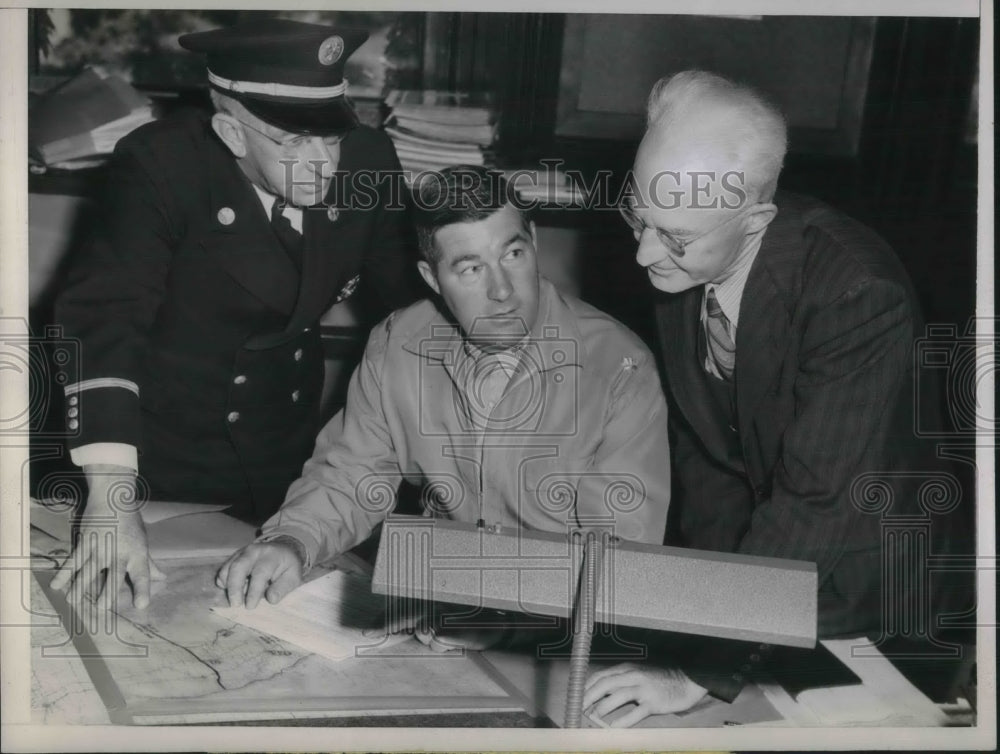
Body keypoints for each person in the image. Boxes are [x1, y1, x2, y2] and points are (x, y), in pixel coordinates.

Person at [583, 70, 969, 725]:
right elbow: (706, 454)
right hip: (766, 581)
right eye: (637, 217)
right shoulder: (686, 248)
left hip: (877, 604)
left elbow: (816, 503)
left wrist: (700, 668)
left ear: (756, 218)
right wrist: (703, 611)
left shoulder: (857, 294)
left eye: (674, 237)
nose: (647, 253)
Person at [217, 166, 672, 651]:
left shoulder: (619, 366)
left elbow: (621, 560)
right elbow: (352, 475)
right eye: (471, 268)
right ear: (431, 277)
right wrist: (293, 540)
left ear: (534, 241)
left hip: (559, 640)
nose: (502, 290)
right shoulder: (399, 343)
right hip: (437, 617)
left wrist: (506, 617)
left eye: (513, 254)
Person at [51, 19, 419, 610]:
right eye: (293, 142)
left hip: (288, 452)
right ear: (231, 132)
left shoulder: (367, 160)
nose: (322, 164)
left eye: (331, 137)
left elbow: (411, 311)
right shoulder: (160, 166)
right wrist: (112, 497)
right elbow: (104, 320)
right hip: (161, 457)